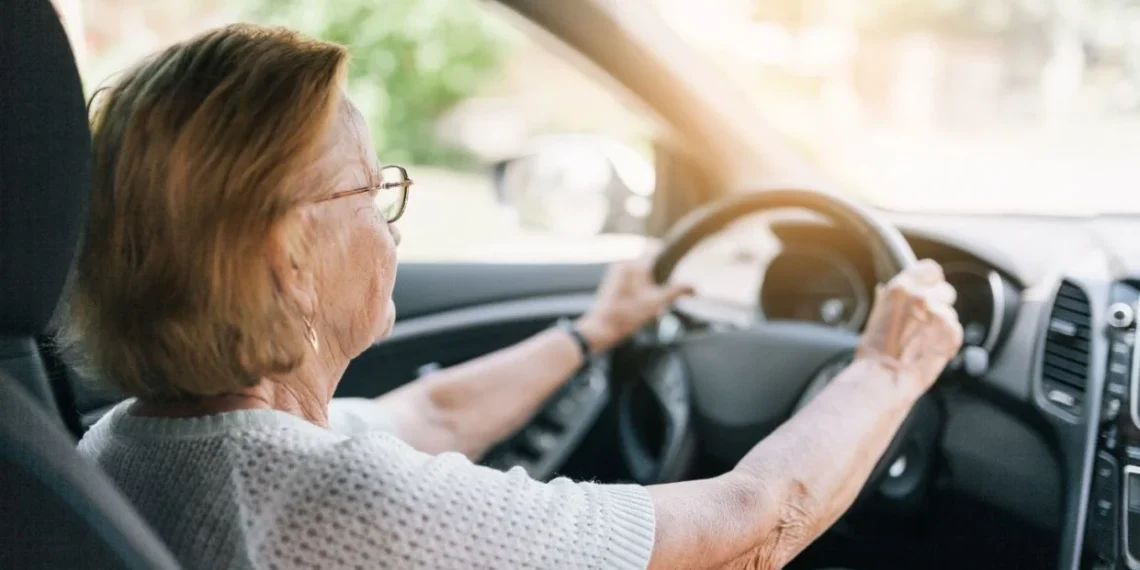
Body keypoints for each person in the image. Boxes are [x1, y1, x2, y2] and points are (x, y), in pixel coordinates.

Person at [64, 24, 963, 570]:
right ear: (289, 255)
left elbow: (436, 411)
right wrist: (888, 369)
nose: (392, 225)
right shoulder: (339, 501)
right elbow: (749, 530)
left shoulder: (131, 444)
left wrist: (591, 332)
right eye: (372, 193)